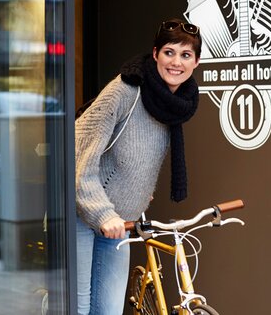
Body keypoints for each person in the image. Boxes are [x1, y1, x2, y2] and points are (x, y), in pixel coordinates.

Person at [75, 19, 201, 314]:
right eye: (169, 52)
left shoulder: (176, 104)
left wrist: (139, 190)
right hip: (80, 212)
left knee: (109, 310)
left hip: (120, 222)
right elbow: (77, 153)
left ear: (196, 62)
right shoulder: (125, 91)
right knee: (78, 307)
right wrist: (102, 213)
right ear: (155, 54)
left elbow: (142, 156)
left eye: (185, 55)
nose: (176, 62)